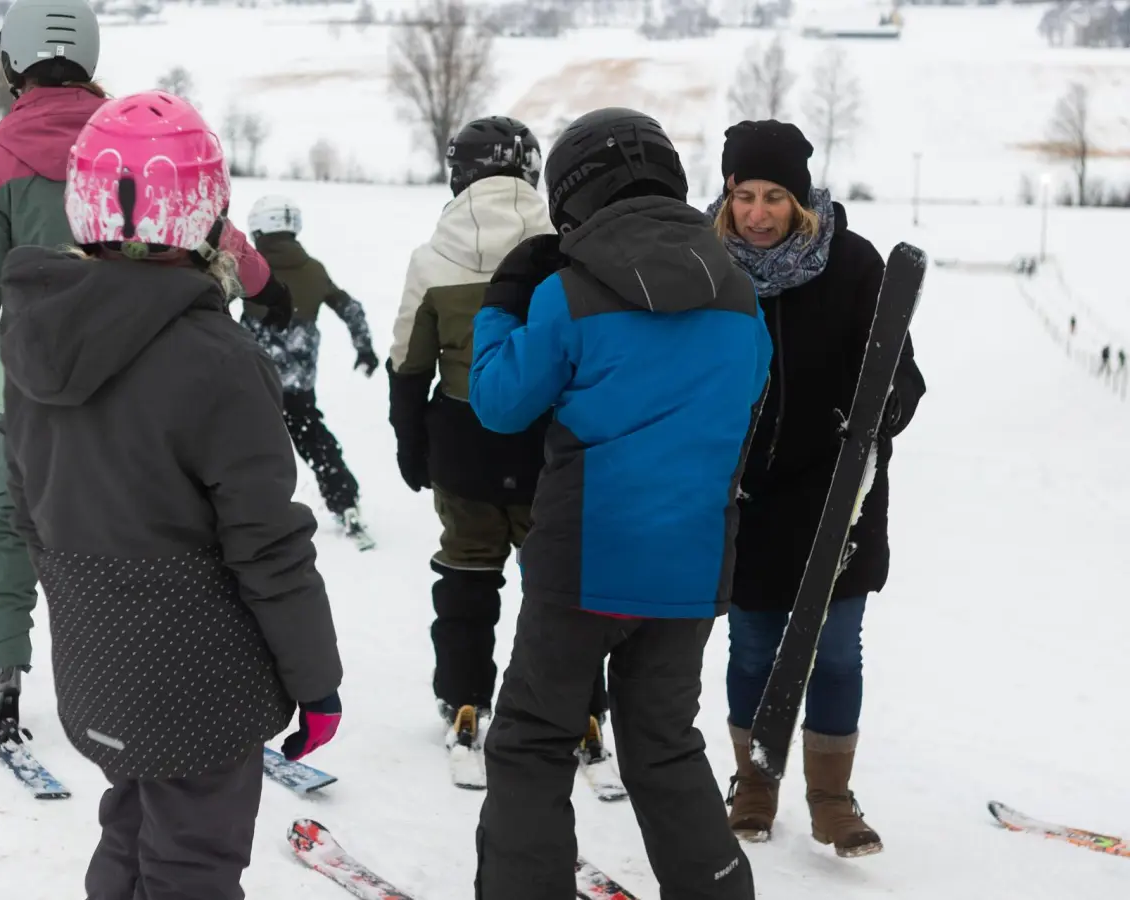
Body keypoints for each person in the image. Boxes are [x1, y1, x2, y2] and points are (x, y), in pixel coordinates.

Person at [0, 89, 342, 900]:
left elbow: (26, 504)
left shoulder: (33, 335)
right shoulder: (218, 360)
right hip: (201, 688)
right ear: (204, 214)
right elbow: (268, 544)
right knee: (191, 863)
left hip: (98, 670)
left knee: (131, 827)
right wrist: (315, 678)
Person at [0, 0, 287, 745]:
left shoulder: (1, 158)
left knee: (10, 514)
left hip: (36, 381)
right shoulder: (131, 137)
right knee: (173, 524)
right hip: (162, 367)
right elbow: (204, 217)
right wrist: (259, 281)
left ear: (12, 62)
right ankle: (197, 675)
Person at [470, 107, 767, 900]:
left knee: (533, 742)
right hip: (693, 565)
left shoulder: (567, 294)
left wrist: (504, 300)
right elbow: (743, 423)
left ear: (572, 198)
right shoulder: (740, 296)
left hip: (583, 563)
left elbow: (498, 401)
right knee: (664, 745)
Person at [707, 119, 925, 859]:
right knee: (753, 647)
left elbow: (905, 374)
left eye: (774, 197)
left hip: (839, 499)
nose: (758, 213)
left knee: (835, 650)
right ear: (727, 196)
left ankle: (831, 799)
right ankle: (753, 784)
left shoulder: (855, 265)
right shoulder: (707, 268)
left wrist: (882, 407)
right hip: (746, 500)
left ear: (801, 202)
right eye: (744, 196)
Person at [387, 116, 609, 755]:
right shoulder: (566, 253)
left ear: (459, 175)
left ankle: (463, 696)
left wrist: (411, 443)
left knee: (467, 577)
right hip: (549, 451)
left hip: (464, 449)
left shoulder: (431, 260)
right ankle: (583, 707)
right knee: (560, 589)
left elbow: (409, 362)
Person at [241, 195, 378, 541]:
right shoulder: (314, 269)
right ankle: (344, 500)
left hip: (250, 384)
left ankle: (246, 510)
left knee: (244, 445)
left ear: (258, 229)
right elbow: (351, 309)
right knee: (314, 440)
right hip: (298, 386)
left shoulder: (247, 267)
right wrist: (365, 349)